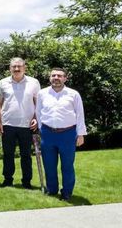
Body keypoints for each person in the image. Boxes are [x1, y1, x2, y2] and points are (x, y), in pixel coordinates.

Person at [36, 68, 87, 201]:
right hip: (48, 134)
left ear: (65, 78)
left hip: (68, 134)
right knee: (49, 164)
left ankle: (67, 192)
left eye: (59, 75)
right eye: (53, 75)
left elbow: (80, 115)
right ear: (49, 78)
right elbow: (38, 113)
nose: (56, 78)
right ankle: (52, 190)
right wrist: (41, 130)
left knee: (67, 165)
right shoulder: (42, 94)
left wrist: (81, 134)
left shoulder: (73, 94)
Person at [0, 58, 40, 189]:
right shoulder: (3, 82)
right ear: (10, 68)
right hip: (7, 124)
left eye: (19, 66)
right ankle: (8, 179)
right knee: (8, 154)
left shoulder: (33, 82)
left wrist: (36, 118)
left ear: (24, 68)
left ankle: (26, 181)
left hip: (27, 125)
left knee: (26, 155)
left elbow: (38, 103)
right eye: (13, 67)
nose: (16, 69)